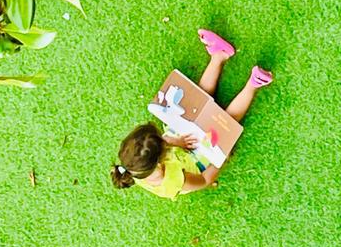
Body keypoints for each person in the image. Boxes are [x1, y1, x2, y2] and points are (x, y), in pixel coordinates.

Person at [111, 29, 273, 197]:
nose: (164, 139)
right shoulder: (172, 181)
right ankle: (253, 85)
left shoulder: (137, 164)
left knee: (197, 103)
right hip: (197, 162)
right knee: (224, 122)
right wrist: (221, 159)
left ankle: (219, 57)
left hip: (179, 146)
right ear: (160, 158)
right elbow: (204, 180)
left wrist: (177, 142)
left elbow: (164, 141)